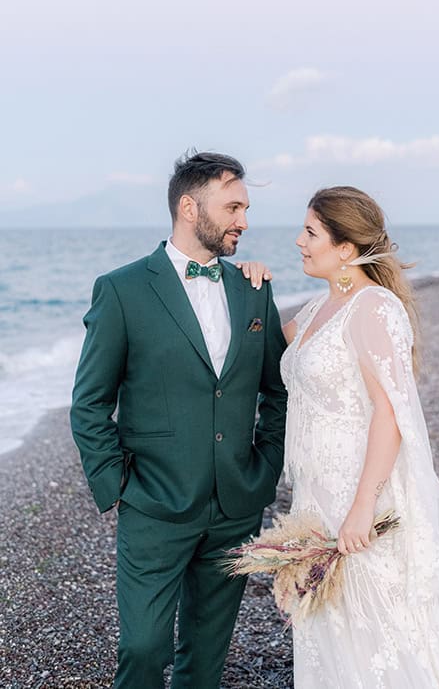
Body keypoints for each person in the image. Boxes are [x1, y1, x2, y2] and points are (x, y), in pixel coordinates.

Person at [70, 150, 287, 689]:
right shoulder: (121, 290)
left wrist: (263, 469)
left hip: (236, 504)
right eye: (233, 207)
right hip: (154, 503)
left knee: (205, 659)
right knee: (143, 650)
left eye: (246, 208)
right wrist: (115, 485)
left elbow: (277, 393)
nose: (243, 221)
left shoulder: (254, 289)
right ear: (190, 208)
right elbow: (89, 402)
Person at [280, 186, 439, 688]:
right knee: (329, 620)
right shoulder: (321, 306)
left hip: (360, 492)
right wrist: (250, 284)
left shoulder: (374, 307)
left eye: (310, 232)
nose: (298, 241)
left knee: (380, 622)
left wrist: (362, 505)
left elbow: (389, 413)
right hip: (314, 495)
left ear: (345, 248)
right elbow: (277, 347)